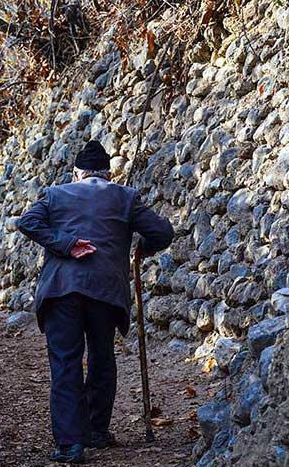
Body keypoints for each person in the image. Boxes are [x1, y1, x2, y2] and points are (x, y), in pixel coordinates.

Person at [17, 140, 174, 464]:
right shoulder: (125, 197)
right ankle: (96, 431)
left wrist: (65, 243)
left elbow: (27, 223)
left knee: (65, 363)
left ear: (77, 173)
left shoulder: (55, 194)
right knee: (102, 356)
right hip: (105, 290)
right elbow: (162, 233)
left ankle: (70, 444)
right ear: (107, 173)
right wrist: (141, 246)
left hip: (62, 290)